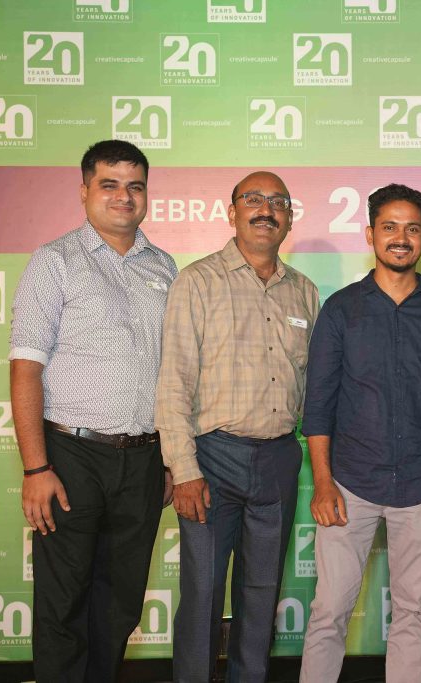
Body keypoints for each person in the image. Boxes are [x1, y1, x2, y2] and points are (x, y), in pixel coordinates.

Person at [9, 139, 177, 683]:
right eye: (109, 184)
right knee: (63, 604)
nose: (124, 196)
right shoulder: (54, 261)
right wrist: (36, 468)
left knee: (120, 605)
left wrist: (170, 459)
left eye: (135, 186)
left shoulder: (164, 266)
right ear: (84, 191)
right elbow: (26, 369)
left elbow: (173, 372)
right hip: (70, 455)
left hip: (144, 459)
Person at [299, 183, 421, 683]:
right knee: (329, 610)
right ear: (370, 233)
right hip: (349, 484)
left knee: (412, 612)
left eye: (412, 229)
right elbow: (318, 406)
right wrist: (323, 482)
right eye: (390, 227)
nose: (401, 238)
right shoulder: (341, 310)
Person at [155, 171, 319, 682]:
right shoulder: (197, 281)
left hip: (278, 460)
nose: (265, 210)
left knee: (262, 593)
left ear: (288, 218)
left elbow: (311, 384)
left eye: (277, 202)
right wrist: (183, 468)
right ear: (232, 213)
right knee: (202, 592)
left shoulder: (304, 292)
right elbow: (174, 380)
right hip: (211, 459)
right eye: (253, 199)